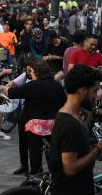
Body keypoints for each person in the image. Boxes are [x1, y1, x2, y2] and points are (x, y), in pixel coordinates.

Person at [0, 60, 66, 175]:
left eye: (31, 72)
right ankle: (54, 175)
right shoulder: (56, 85)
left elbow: (11, 93)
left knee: (35, 153)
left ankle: (35, 177)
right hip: (53, 125)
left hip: (35, 126)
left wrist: (2, 88)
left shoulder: (33, 85)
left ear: (36, 72)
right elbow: (64, 102)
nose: (30, 74)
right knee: (51, 152)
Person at [50, 65, 102, 195]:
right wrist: (98, 149)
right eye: (95, 91)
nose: (96, 96)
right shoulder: (70, 125)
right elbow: (70, 168)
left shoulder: (68, 114)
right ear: (83, 90)